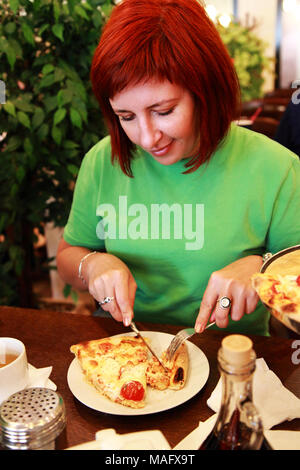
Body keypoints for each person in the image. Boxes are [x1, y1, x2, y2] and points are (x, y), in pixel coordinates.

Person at [56, 0, 300, 337]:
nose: (146, 137)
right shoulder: (102, 160)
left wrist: (262, 268)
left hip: (234, 354)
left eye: (164, 110)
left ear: (205, 90)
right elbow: (68, 256)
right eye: (126, 117)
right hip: (125, 355)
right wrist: (93, 263)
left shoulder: (276, 167)